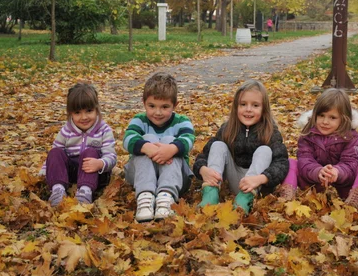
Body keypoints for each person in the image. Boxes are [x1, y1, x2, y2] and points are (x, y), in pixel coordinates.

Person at [193, 80, 289, 214]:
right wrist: (203, 170)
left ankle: (244, 200)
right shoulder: (227, 129)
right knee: (218, 145)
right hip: (234, 178)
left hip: (256, 184)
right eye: (243, 104)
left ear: (264, 109)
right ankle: (210, 194)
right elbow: (203, 156)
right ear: (236, 107)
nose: (248, 109)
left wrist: (260, 179)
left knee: (264, 150)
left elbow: (282, 164)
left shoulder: (270, 132)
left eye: (255, 105)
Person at [277, 88, 358, 208]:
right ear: (315, 115)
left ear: (343, 118)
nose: (325, 121)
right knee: (291, 163)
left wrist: (337, 172)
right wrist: (318, 171)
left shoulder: (351, 137)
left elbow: (351, 163)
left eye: (332, 117)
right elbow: (305, 160)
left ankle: (356, 198)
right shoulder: (308, 135)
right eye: (321, 115)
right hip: (314, 184)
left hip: (344, 186)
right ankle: (287, 197)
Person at [123, 72, 195, 222]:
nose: (157, 112)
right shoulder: (139, 120)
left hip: (176, 178)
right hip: (140, 177)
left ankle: (165, 197)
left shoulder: (182, 121)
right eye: (152, 106)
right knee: (147, 139)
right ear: (144, 103)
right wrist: (148, 147)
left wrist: (170, 149)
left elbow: (188, 140)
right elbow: (127, 140)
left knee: (170, 140)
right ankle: (145, 196)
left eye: (165, 107)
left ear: (175, 105)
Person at [43, 83, 117, 206]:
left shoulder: (104, 130)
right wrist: (45, 171)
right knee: (55, 152)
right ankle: (58, 189)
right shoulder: (66, 131)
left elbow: (112, 157)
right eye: (77, 113)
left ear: (96, 109)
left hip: (96, 173)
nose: (84, 117)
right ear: (70, 113)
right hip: (72, 173)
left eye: (89, 111)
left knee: (90, 151)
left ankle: (85, 192)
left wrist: (100, 163)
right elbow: (55, 157)